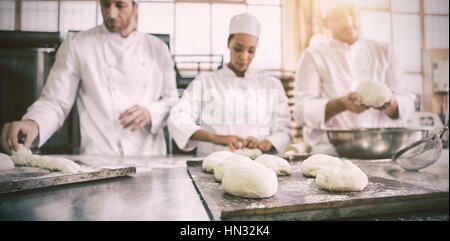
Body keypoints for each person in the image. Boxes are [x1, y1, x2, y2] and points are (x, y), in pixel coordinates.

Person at [1, 0, 177, 156]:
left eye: (120, 5)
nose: (111, 13)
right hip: (100, 156)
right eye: (105, 5)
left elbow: (172, 100)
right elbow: (55, 100)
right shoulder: (78, 44)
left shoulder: (157, 48)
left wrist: (150, 112)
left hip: (150, 156)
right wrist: (34, 123)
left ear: (135, 7)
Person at [168, 13, 292, 156]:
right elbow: (178, 118)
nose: (244, 57)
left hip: (257, 166)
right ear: (229, 43)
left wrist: (265, 143)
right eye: (238, 49)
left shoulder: (271, 85)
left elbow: (284, 131)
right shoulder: (205, 82)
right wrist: (215, 138)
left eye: (251, 51)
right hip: (212, 164)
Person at [293, 3, 415, 146]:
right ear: (325, 22)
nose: (348, 22)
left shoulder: (385, 52)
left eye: (352, 13)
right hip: (330, 151)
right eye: (339, 16)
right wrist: (341, 104)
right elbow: (301, 111)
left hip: (380, 147)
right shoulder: (313, 56)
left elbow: (406, 101)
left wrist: (391, 103)